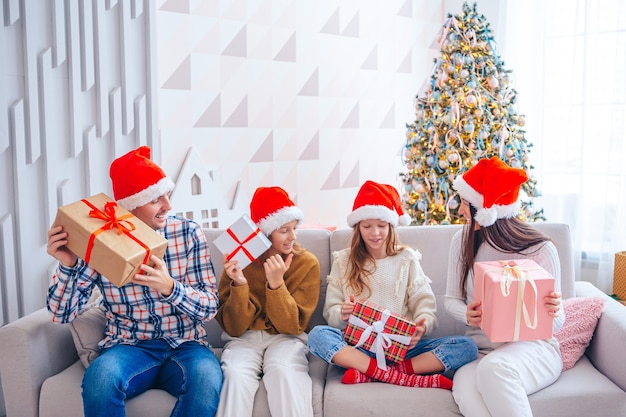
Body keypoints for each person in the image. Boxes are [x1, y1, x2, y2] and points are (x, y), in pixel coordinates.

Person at [46, 146, 222, 417]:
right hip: (129, 346)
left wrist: (170, 288)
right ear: (130, 206)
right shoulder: (103, 243)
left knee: (207, 382)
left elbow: (210, 307)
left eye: (167, 195)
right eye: (155, 199)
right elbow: (61, 314)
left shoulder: (188, 234)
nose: (168, 206)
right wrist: (67, 265)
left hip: (187, 345)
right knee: (101, 379)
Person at [307, 180, 478, 389]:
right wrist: (341, 314)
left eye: (381, 226)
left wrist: (421, 326)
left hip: (401, 350)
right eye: (367, 226)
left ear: (391, 225)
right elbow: (331, 313)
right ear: (357, 227)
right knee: (317, 335)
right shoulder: (344, 261)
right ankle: (397, 376)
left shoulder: (407, 258)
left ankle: (377, 373)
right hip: (358, 347)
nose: (375, 233)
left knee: (466, 346)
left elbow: (424, 304)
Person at [444, 156, 564, 417]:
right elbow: (451, 299)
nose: (461, 211)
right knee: (466, 392)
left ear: (484, 210)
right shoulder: (461, 241)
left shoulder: (541, 249)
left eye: (466, 204)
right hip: (480, 350)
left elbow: (557, 322)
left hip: (534, 350)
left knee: (494, 369)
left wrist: (553, 311)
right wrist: (467, 314)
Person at [215, 186, 321, 417]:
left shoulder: (306, 263)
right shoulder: (238, 260)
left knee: (283, 369)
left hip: (287, 338)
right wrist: (240, 284)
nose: (293, 236)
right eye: (284, 230)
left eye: (294, 229)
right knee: (234, 373)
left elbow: (293, 326)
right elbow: (232, 326)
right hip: (244, 338)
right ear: (265, 233)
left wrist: (276, 285)